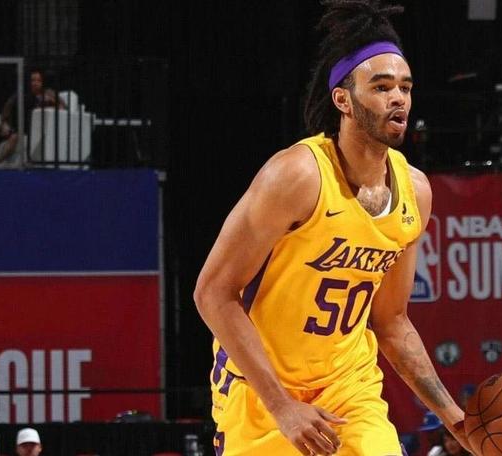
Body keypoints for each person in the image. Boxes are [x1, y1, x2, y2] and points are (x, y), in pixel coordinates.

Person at [194, 1, 471, 455]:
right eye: (381, 87)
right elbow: (212, 292)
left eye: (405, 87)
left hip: (348, 388)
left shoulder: (415, 192)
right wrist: (283, 406)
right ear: (343, 100)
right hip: (261, 390)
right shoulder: (297, 176)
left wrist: (454, 418)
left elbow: (392, 320)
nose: (398, 98)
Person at [0, 68, 65, 164]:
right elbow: (6, 109)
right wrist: (4, 124)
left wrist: (50, 102)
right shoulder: (20, 93)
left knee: (14, 137)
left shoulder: (48, 93)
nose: (35, 83)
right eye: (33, 80)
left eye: (39, 81)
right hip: (14, 126)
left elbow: (62, 106)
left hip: (30, 128)